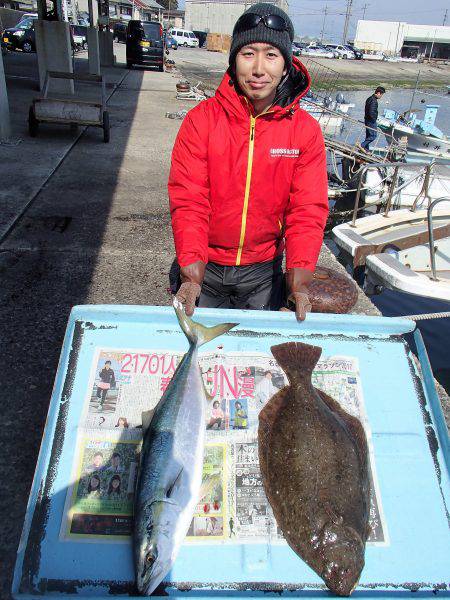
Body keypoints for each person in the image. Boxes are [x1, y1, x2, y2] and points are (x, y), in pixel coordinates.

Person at [169, 3, 328, 322]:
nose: (258, 69)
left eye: (271, 55)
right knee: (199, 357)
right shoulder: (200, 121)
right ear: (233, 60)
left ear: (286, 64)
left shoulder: (305, 130)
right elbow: (189, 201)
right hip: (205, 268)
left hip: (263, 275)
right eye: (248, 53)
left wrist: (298, 281)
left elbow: (307, 209)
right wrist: (191, 276)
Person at [361, 86, 386, 151]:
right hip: (371, 121)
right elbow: (371, 112)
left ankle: (366, 150)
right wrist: (374, 119)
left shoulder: (369, 98)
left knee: (368, 136)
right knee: (373, 136)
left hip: (367, 119)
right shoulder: (374, 101)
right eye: (381, 94)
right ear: (378, 93)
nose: (381, 96)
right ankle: (362, 145)